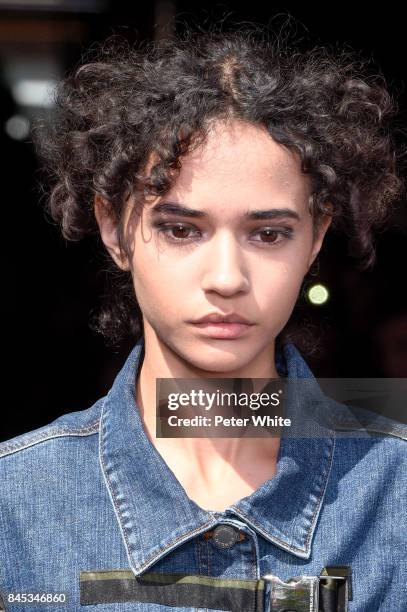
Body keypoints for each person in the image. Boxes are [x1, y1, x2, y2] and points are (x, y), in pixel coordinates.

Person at [0, 25, 406, 612]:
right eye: (181, 229)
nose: (226, 277)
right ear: (114, 230)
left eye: (268, 234)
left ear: (315, 238)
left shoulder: (392, 494)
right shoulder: (18, 506)